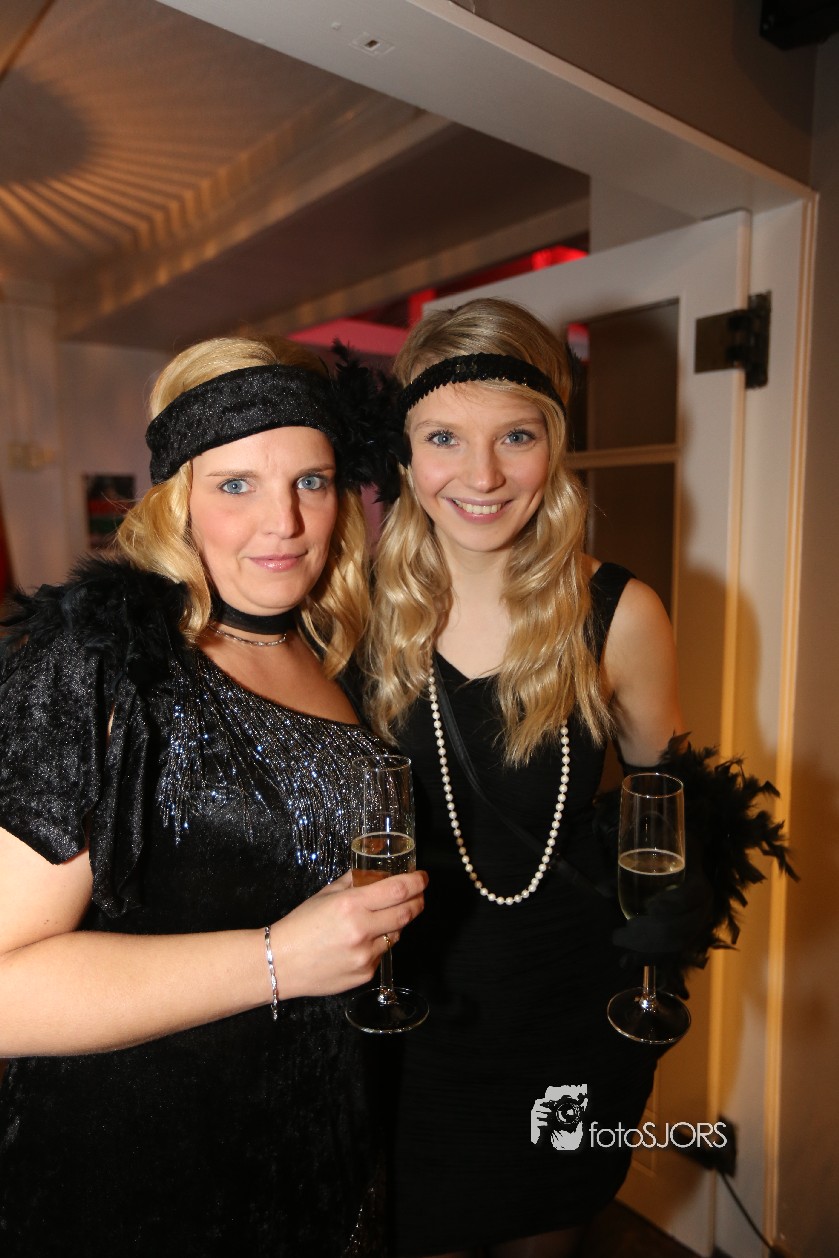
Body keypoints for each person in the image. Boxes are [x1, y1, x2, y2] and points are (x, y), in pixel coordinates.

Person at [0, 335, 427, 1257]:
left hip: (317, 1143)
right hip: (142, 1178)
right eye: (237, 484)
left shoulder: (331, 649)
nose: (285, 522)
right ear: (177, 500)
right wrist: (278, 958)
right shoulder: (106, 667)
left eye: (311, 481)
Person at [363, 298, 688, 1258]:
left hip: (570, 1015)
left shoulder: (622, 613)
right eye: (443, 438)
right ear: (404, 452)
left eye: (516, 435)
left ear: (554, 445)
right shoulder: (351, 614)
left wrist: (667, 934)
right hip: (409, 1016)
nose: (482, 475)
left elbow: (669, 807)